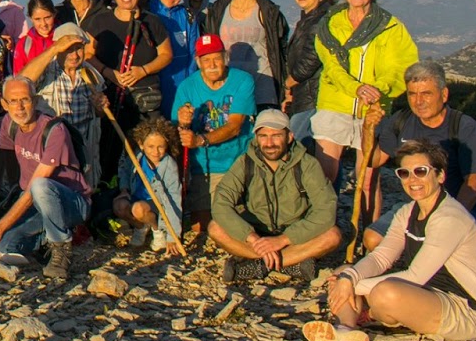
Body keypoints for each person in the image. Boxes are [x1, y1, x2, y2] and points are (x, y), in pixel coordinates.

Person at [303, 140, 476, 341]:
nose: (412, 179)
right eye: (405, 173)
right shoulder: (407, 212)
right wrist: (349, 278)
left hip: (463, 309)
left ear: (440, 175)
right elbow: (382, 257)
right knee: (345, 271)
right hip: (425, 294)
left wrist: (351, 285)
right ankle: (347, 329)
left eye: (421, 171)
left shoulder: (450, 218)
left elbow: (416, 275)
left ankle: (371, 314)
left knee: (383, 292)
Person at [311, 0, 420, 184]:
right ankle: (324, 220)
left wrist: (377, 90)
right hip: (334, 103)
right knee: (324, 177)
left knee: (367, 179)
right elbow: (331, 67)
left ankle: (367, 221)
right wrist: (357, 88)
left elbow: (401, 66)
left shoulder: (391, 27)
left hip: (374, 106)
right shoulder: (329, 24)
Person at [362, 61, 476, 243]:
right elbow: (374, 160)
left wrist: (448, 220)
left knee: (440, 245)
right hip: (418, 205)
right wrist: (367, 129)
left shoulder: (465, 127)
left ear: (444, 94)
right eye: (412, 94)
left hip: (462, 207)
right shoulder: (401, 121)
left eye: (426, 94)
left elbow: (474, 183)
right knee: (373, 238)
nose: (418, 102)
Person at [0, 76, 91, 283]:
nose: (19, 107)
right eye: (13, 101)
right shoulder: (9, 124)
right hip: (36, 205)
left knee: (39, 186)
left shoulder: (54, 130)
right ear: (4, 104)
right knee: (2, 249)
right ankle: (44, 240)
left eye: (25, 100)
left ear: (35, 101)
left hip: (70, 202)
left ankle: (60, 250)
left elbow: (32, 191)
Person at [210, 109, 341, 285]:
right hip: (256, 232)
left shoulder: (307, 165)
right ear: (256, 138)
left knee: (333, 236)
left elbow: (326, 210)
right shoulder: (245, 162)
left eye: (276, 135)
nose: (269, 143)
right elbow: (221, 203)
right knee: (215, 228)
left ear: (289, 137)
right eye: (263, 136)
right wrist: (252, 238)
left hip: (295, 234)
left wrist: (283, 240)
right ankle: (289, 263)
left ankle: (259, 266)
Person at [84, 0, 174, 183]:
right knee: (110, 153)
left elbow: (166, 55)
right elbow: (87, 55)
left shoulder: (152, 22)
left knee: (149, 150)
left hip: (145, 98)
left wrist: (142, 71)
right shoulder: (99, 21)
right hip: (111, 98)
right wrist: (110, 73)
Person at [171, 34, 257, 225]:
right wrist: (183, 123)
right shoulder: (187, 87)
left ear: (225, 57)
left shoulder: (243, 80)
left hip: (238, 160)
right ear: (198, 61)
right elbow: (178, 131)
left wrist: (200, 140)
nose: (212, 64)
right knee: (200, 226)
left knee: (236, 220)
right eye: (206, 59)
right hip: (204, 165)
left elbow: (235, 126)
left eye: (217, 58)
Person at [21, 24, 106, 188]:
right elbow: (22, 82)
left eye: (78, 48)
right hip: (49, 147)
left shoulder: (92, 75)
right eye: (68, 49)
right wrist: (53, 49)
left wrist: (100, 107)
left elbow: (98, 114)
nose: (74, 55)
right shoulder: (45, 70)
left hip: (81, 149)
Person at [201, 0, 289, 112]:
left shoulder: (268, 11)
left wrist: (286, 85)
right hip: (228, 87)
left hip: (263, 87)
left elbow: (283, 49)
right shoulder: (218, 10)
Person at [112, 117, 185, 254]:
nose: (155, 152)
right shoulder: (137, 157)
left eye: (160, 147)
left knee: (139, 209)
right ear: (141, 144)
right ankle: (141, 228)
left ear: (167, 144)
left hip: (155, 205)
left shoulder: (169, 166)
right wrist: (124, 189)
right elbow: (126, 172)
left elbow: (174, 201)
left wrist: (172, 236)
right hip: (135, 199)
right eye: (150, 147)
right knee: (119, 206)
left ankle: (157, 230)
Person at [282, 0, 337, 146]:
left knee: (298, 145)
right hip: (304, 94)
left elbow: (310, 59)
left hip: (313, 96)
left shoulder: (321, 20)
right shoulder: (308, 18)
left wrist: (289, 82)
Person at [150, 0, 199, 117]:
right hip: (154, 82)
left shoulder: (188, 16)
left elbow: (194, 54)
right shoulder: (147, 11)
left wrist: (190, 85)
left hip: (180, 83)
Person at [11, 0, 59, 75]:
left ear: (54, 14)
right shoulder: (24, 44)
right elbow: (19, 78)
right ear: (30, 18)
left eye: (47, 18)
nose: (43, 24)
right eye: (38, 19)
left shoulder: (64, 37)